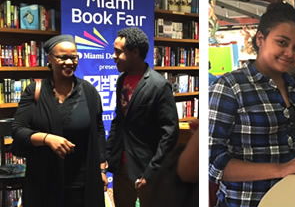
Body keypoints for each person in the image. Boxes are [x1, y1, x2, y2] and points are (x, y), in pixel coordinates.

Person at [208, 2, 295, 207]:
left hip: (292, 197)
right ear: (261, 39)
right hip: (248, 201)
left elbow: (293, 146)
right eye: (282, 42)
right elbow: (213, 161)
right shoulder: (230, 87)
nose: (290, 53)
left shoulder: (291, 88)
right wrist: (280, 168)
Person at [11, 34, 107, 207]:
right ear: (50, 59)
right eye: (63, 57)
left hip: (82, 182)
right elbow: (18, 130)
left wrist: (101, 169)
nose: (69, 62)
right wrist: (47, 139)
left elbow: (98, 131)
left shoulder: (89, 92)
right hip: (44, 181)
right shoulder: (35, 91)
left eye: (73, 57)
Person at [106, 27, 179, 207]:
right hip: (121, 167)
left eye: (118, 52)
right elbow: (119, 120)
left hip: (146, 168)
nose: (113, 56)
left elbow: (169, 133)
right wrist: (108, 156)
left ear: (135, 52)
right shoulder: (121, 80)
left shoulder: (158, 85)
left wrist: (152, 171)